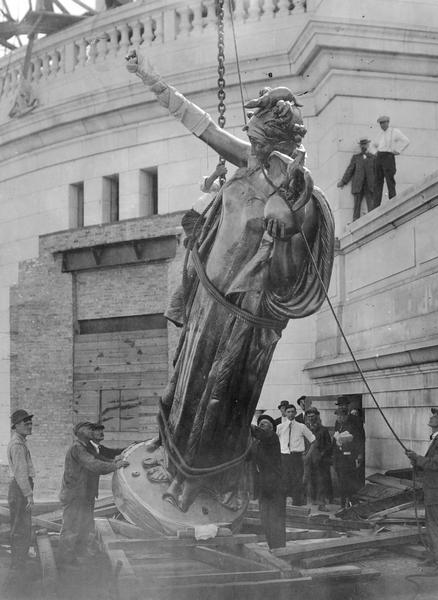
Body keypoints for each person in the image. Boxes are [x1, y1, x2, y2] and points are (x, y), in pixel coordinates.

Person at [126, 50, 334, 513]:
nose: (247, 143)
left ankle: (193, 480)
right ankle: (171, 458)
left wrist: (285, 228)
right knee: (185, 382)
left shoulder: (297, 193)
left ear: (273, 139)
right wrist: (149, 76)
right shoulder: (249, 162)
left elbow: (291, 273)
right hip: (209, 300)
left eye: (257, 135)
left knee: (215, 395)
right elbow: (199, 123)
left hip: (241, 315)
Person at [58, 422, 128, 567]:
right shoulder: (77, 448)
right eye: (89, 428)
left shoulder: (87, 447)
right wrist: (116, 465)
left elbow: (101, 459)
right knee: (71, 527)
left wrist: (115, 460)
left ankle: (78, 556)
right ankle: (65, 562)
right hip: (75, 495)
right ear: (80, 432)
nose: (92, 430)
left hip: (84, 495)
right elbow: (94, 464)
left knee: (84, 525)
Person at [405, 408, 438, 572]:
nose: (432, 417)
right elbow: (431, 463)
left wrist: (417, 458)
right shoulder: (437, 440)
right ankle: (434, 558)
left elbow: (435, 464)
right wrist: (416, 459)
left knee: (437, 527)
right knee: (431, 526)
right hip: (434, 491)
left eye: (436, 417)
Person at [6, 409, 35, 586]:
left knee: (23, 525)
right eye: (26, 423)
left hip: (20, 488)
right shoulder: (17, 445)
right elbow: (21, 473)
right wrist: (29, 495)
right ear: (16, 426)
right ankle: (17, 567)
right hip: (19, 489)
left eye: (30, 423)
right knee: (20, 526)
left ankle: (20, 562)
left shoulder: (20, 442)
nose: (30, 426)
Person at [250, 414, 286, 550]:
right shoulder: (257, 443)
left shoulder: (272, 437)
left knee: (276, 519)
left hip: (275, 486)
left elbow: (261, 433)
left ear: (271, 428)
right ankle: (273, 547)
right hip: (263, 487)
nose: (261, 426)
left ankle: (280, 549)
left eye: (264, 424)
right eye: (259, 424)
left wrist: (246, 423)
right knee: (265, 520)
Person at [277, 404, 315, 506]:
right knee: (284, 480)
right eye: (288, 412)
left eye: (292, 412)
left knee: (297, 480)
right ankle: (282, 505)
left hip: (297, 457)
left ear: (295, 413)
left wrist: (307, 455)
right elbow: (274, 442)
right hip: (284, 457)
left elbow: (313, 441)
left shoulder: (301, 427)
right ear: (285, 413)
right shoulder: (280, 427)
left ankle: (297, 503)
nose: (290, 414)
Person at [371, 116, 409, 206]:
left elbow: (406, 141)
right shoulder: (379, 134)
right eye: (381, 123)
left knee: (390, 180)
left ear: (388, 122)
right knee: (378, 181)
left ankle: (393, 202)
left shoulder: (395, 132)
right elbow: (372, 145)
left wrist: (398, 151)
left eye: (384, 122)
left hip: (389, 157)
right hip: (380, 157)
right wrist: (375, 153)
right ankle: (376, 205)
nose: (383, 125)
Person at [337, 138, 376, 221]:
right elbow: (350, 170)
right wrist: (343, 181)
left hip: (370, 185)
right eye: (362, 144)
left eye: (365, 144)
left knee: (371, 205)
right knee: (356, 205)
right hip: (358, 185)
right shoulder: (356, 158)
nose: (363, 146)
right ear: (360, 146)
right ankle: (355, 221)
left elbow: (377, 171)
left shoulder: (373, 157)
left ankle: (373, 220)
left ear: (368, 145)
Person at [332, 406, 362, 508]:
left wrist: (358, 455)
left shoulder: (352, 426)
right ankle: (343, 502)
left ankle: (349, 502)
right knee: (341, 480)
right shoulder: (338, 425)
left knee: (348, 480)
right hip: (339, 457)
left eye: (341, 416)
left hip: (348, 457)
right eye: (338, 416)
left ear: (345, 416)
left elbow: (357, 441)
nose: (339, 418)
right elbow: (334, 441)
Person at [304, 409, 332, 511]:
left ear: (317, 416)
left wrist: (322, 453)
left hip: (320, 460)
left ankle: (321, 503)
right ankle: (311, 501)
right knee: (309, 480)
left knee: (321, 481)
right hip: (308, 459)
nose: (311, 418)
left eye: (313, 416)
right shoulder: (304, 429)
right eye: (309, 416)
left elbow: (328, 444)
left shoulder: (323, 430)